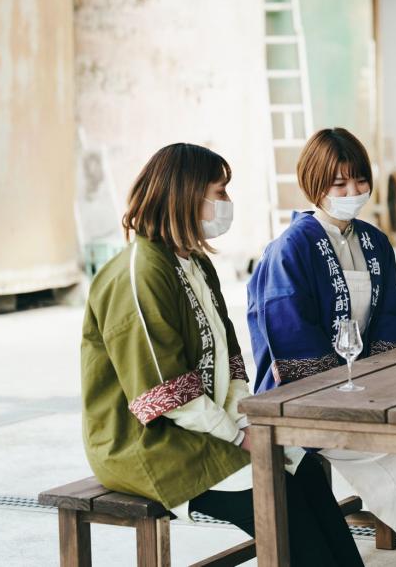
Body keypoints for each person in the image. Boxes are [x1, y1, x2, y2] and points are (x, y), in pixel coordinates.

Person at [81, 143, 363, 567]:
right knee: (275, 490)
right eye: (220, 191)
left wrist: (243, 421)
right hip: (150, 443)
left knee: (303, 468)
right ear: (185, 194)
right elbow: (165, 392)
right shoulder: (140, 272)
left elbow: (229, 362)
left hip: (204, 428)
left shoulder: (195, 262)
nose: (227, 203)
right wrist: (236, 436)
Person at [248, 128, 396, 567]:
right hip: (309, 405)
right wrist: (348, 397)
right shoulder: (291, 249)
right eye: (339, 184)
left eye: (359, 180)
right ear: (312, 183)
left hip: (367, 393)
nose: (353, 192)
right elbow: (290, 335)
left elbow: (392, 315)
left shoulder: (374, 241)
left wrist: (378, 388)